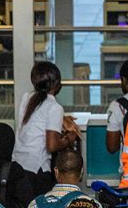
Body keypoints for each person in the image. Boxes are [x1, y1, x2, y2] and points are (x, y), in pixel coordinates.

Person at [14, 62, 80, 194]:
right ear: (57, 84)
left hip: (18, 165)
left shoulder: (27, 98)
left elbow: (38, 118)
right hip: (37, 170)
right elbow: (52, 145)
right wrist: (70, 139)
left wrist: (62, 118)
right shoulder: (54, 107)